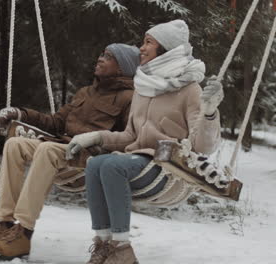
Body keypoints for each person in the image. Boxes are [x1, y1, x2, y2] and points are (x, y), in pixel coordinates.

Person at [66, 20, 223, 264]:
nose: (141, 47)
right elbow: (130, 137)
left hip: (166, 168)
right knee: (94, 164)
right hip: (136, 161)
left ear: (166, 48)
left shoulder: (190, 89)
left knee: (110, 165)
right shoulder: (143, 86)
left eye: (148, 42)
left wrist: (210, 112)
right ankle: (104, 245)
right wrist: (96, 137)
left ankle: (122, 249)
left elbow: (203, 146)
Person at [0, 43, 140, 260]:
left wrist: (98, 144)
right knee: (15, 144)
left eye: (108, 56)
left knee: (47, 149)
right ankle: (4, 225)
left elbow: (127, 138)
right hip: (62, 146)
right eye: (101, 53)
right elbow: (56, 122)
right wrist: (20, 114)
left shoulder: (130, 98)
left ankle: (23, 232)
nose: (100, 58)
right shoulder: (86, 92)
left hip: (89, 156)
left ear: (122, 67)